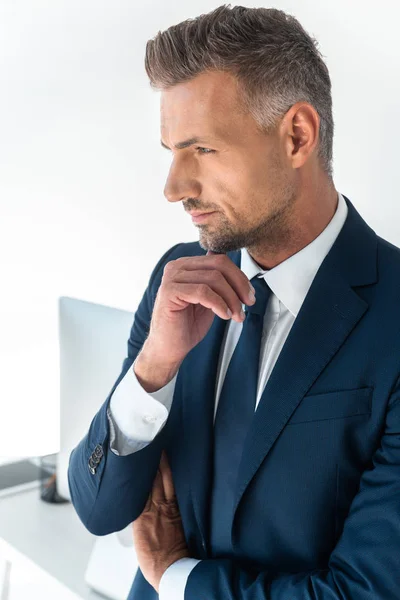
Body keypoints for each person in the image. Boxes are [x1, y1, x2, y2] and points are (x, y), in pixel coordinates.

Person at [68, 4, 400, 599]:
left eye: (201, 150)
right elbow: (99, 509)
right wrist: (153, 369)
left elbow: (365, 591)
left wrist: (176, 578)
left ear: (297, 135)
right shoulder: (179, 278)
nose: (174, 187)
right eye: (170, 150)